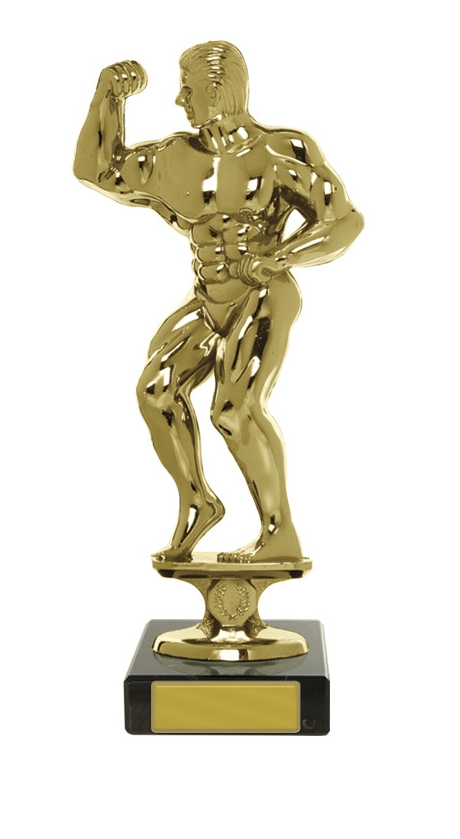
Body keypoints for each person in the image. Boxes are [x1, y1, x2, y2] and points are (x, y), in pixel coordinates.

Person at [74, 41, 363, 563]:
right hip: (208, 298)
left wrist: (280, 257)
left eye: (187, 90)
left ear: (217, 90)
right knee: (156, 391)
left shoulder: (279, 151)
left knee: (233, 409)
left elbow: (343, 221)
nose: (179, 101)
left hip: (264, 293)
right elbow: (97, 171)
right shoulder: (176, 158)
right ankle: (198, 501)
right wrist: (108, 96)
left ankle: (279, 533)